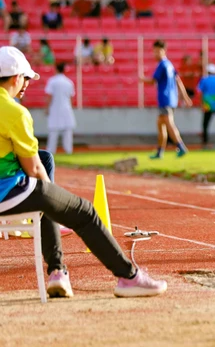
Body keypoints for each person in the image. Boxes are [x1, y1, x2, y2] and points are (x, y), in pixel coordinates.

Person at [0, 46, 166, 298]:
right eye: (25, 78)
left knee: (46, 160)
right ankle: (128, 277)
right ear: (15, 78)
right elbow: (32, 169)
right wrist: (55, 202)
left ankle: (58, 270)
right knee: (84, 212)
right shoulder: (15, 112)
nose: (27, 85)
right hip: (6, 192)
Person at [139, 40, 192, 159]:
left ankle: (181, 146)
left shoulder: (162, 65)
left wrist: (142, 80)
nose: (156, 54)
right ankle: (159, 152)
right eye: (154, 51)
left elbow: (153, 81)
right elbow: (178, 80)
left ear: (164, 51)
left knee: (169, 123)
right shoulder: (169, 64)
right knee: (161, 124)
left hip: (165, 98)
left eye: (158, 51)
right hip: (171, 99)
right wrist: (185, 96)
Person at [45, 62, 76, 156]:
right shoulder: (69, 82)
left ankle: (50, 152)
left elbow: (49, 96)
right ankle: (68, 151)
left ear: (56, 69)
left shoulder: (52, 81)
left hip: (55, 108)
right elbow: (71, 97)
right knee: (67, 131)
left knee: (53, 131)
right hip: (66, 108)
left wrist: (47, 108)